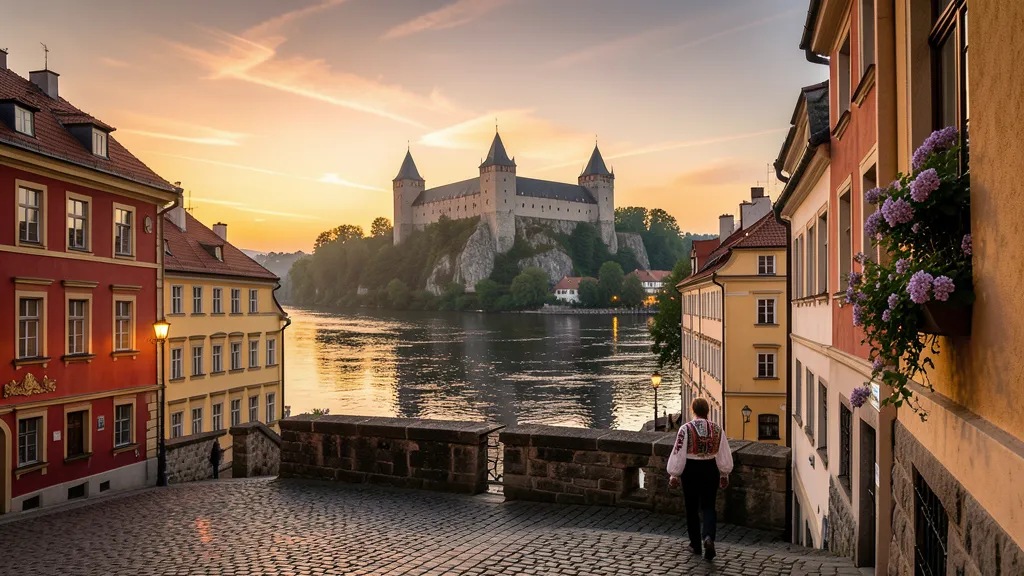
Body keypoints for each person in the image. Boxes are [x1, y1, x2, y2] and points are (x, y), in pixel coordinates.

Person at [667, 397, 733, 560]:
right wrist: (724, 473)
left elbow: (679, 451)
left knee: (691, 508)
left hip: (691, 470)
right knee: (709, 506)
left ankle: (695, 544)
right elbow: (724, 452)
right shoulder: (717, 429)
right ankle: (709, 537)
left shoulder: (685, 429)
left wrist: (674, 474)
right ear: (707, 411)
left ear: (693, 410)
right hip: (710, 468)